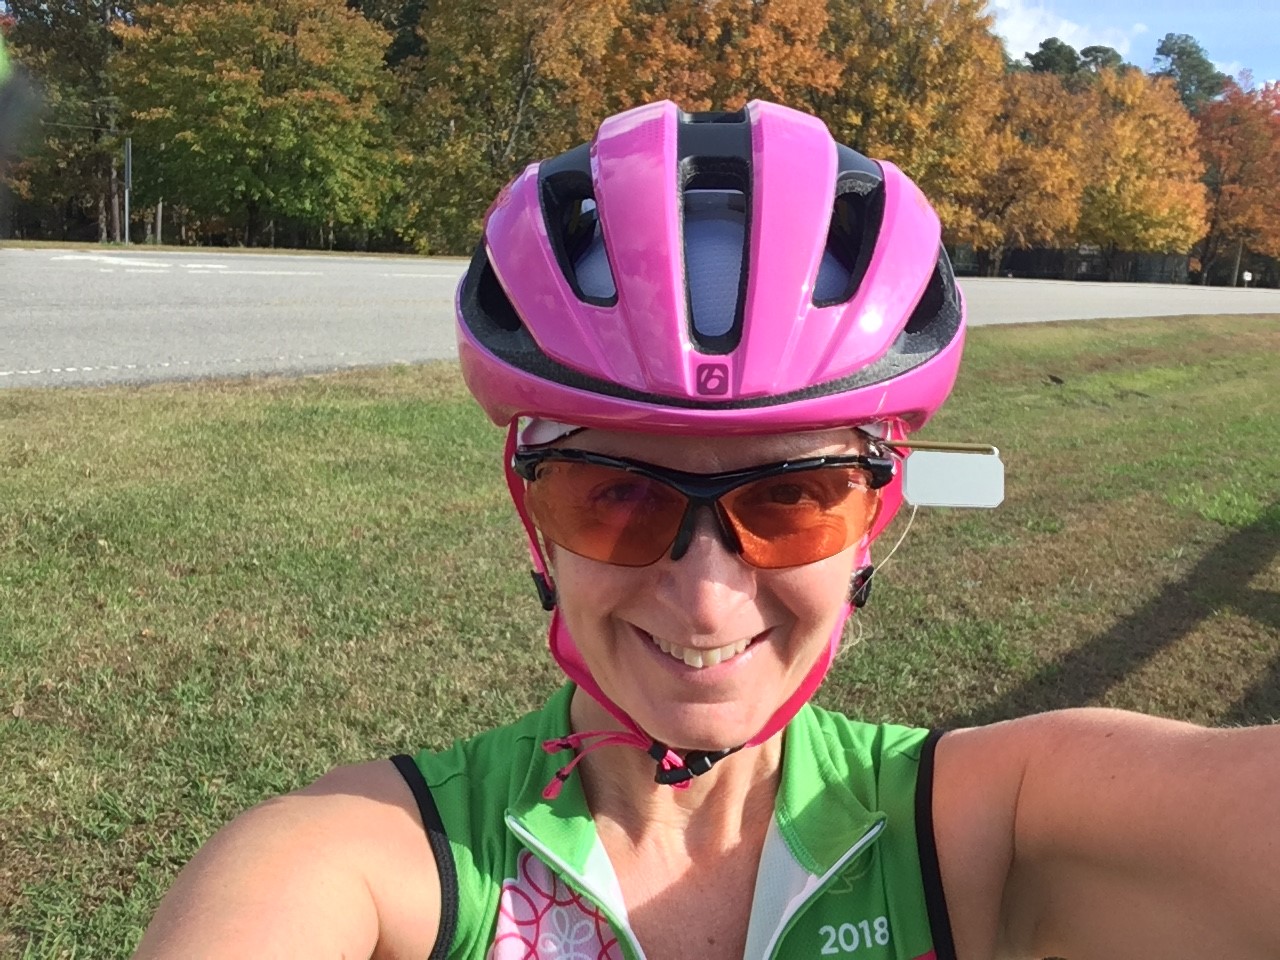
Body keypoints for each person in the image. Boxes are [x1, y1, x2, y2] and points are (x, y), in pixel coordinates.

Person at [132, 101, 1279, 960]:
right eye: (612, 495)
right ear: (534, 521)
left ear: (871, 518)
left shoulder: (998, 826)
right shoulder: (371, 859)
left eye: (791, 497)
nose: (705, 598)